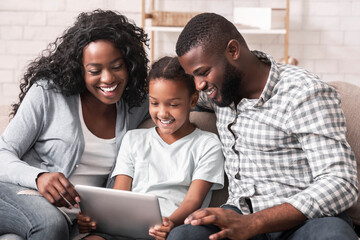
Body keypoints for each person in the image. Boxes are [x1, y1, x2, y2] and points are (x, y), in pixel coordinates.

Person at [168, 12, 359, 240]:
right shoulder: (216, 91)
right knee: (184, 236)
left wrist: (255, 222)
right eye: (193, 77)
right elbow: (167, 94)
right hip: (239, 215)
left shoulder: (303, 92)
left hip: (303, 221)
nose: (198, 85)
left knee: (332, 236)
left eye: (203, 72)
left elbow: (341, 182)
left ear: (233, 51)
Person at [0, 10, 150, 240]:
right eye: (94, 71)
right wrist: (39, 177)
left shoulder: (136, 105)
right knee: (51, 224)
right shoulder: (48, 93)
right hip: (23, 193)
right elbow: (3, 153)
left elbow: (185, 93)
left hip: (78, 219)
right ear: (80, 70)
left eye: (117, 66)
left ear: (130, 64)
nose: (108, 78)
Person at [77, 56, 225, 240]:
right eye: (154, 103)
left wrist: (170, 222)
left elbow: (194, 200)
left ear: (193, 100)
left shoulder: (208, 144)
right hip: (128, 225)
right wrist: (96, 219)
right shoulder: (133, 139)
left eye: (173, 105)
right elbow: (119, 194)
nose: (162, 113)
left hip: (172, 228)